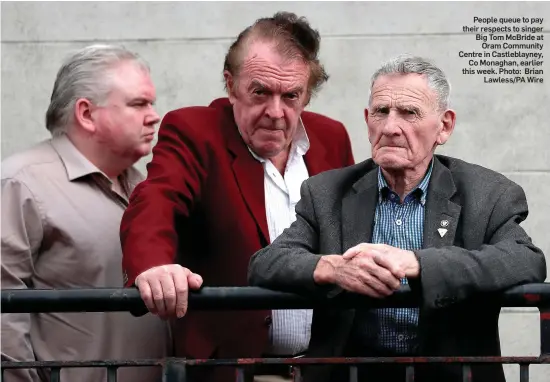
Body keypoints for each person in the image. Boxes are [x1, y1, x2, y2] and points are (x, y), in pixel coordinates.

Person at [247, 55, 547, 382]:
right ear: (367, 119)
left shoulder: (488, 194)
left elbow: (526, 260)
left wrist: (418, 264)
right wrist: (333, 268)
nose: (390, 127)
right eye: (381, 112)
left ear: (444, 126)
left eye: (409, 113)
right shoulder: (326, 193)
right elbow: (266, 263)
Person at [120, 12, 355, 382]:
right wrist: (152, 265)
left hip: (322, 369)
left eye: (291, 96)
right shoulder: (196, 131)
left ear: (307, 94)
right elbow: (156, 199)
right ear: (231, 85)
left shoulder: (332, 138)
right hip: (232, 370)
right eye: (260, 91)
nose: (275, 112)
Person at [1, 44, 170, 382]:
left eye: (151, 103)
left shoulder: (148, 189)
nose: (154, 116)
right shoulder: (22, 183)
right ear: (86, 114)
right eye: (138, 104)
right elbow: (4, 312)